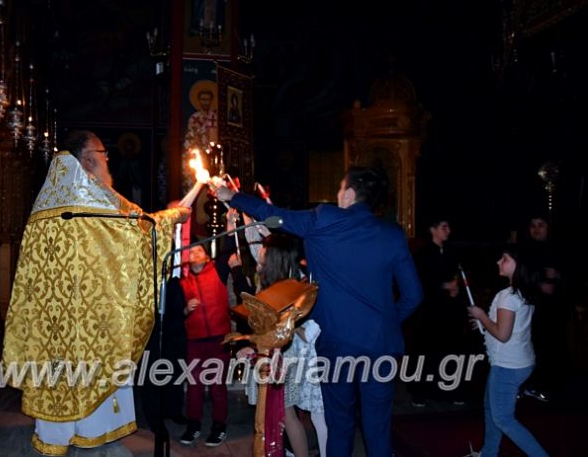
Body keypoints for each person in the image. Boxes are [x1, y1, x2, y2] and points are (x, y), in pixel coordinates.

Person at [2, 130, 189, 455]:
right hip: (89, 326)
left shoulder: (45, 204)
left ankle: (59, 440)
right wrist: (172, 218)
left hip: (51, 325)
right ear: (88, 159)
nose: (108, 161)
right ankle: (90, 436)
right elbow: (137, 235)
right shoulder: (93, 204)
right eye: (104, 154)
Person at [216, 166, 423, 457]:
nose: (338, 195)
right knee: (378, 430)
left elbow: (270, 211)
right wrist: (385, 322)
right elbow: (413, 295)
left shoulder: (324, 219)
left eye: (340, 188)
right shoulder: (392, 234)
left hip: (338, 345)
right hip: (381, 347)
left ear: (349, 193)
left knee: (340, 426)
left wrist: (231, 195)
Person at [231, 232, 328, 457]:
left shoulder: (289, 287)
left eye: (264, 248)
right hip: (270, 353)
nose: (260, 251)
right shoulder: (271, 279)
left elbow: (271, 326)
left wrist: (253, 345)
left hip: (280, 356)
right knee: (274, 414)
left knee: (285, 413)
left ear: (274, 255)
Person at [468, 244, 549, 457]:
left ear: (518, 266)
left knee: (503, 419)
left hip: (507, 366)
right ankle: (489, 453)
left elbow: (503, 334)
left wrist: (481, 316)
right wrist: (486, 324)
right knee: (490, 408)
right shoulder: (523, 292)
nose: (498, 262)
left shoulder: (507, 296)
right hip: (519, 361)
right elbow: (511, 328)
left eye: (504, 259)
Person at [178, 211, 237, 447]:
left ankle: (219, 426)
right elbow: (174, 313)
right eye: (191, 251)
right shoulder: (181, 280)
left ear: (205, 254)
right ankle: (193, 426)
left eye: (200, 250)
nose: (196, 254)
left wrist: (230, 224)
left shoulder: (218, 269)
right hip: (194, 340)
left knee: (216, 386)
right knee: (193, 386)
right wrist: (185, 310)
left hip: (219, 339)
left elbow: (228, 248)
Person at [408, 217, 470, 406]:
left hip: (448, 311)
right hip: (429, 311)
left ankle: (450, 389)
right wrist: (443, 285)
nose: (448, 231)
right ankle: (420, 392)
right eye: (444, 227)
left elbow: (458, 276)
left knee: (450, 349)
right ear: (433, 229)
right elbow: (419, 281)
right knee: (425, 351)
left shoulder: (452, 252)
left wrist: (455, 287)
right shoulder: (422, 254)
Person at [519, 213, 567, 402]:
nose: (536, 229)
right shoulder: (524, 250)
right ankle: (532, 385)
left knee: (553, 346)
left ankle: (553, 387)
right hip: (531, 308)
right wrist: (538, 285)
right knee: (532, 347)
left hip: (554, 308)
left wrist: (558, 276)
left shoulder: (559, 249)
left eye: (541, 225)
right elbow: (519, 277)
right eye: (533, 225)